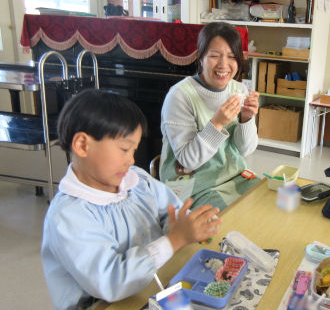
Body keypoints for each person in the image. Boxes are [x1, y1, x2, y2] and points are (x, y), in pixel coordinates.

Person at [41, 89, 222, 310]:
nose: (131, 159)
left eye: (133, 150)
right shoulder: (68, 216)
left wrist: (181, 225)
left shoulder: (137, 181)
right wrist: (174, 240)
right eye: (124, 149)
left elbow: (169, 211)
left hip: (154, 288)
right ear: (82, 145)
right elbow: (110, 281)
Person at [159, 21, 260, 210]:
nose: (224, 65)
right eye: (214, 56)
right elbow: (187, 161)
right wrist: (217, 123)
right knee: (234, 222)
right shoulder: (180, 95)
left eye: (231, 57)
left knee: (268, 203)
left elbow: (245, 150)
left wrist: (246, 119)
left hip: (232, 176)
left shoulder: (237, 89)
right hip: (192, 184)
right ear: (200, 57)